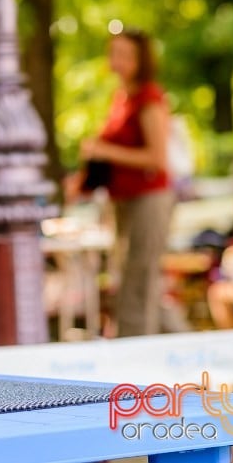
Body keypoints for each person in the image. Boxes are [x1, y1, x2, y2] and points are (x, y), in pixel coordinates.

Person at [78, 28, 174, 337]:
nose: (115, 61)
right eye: (113, 53)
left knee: (139, 279)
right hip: (122, 200)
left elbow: (156, 158)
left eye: (124, 55)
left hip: (148, 199)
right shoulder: (121, 98)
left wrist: (105, 151)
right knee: (129, 279)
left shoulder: (149, 98)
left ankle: (137, 365)